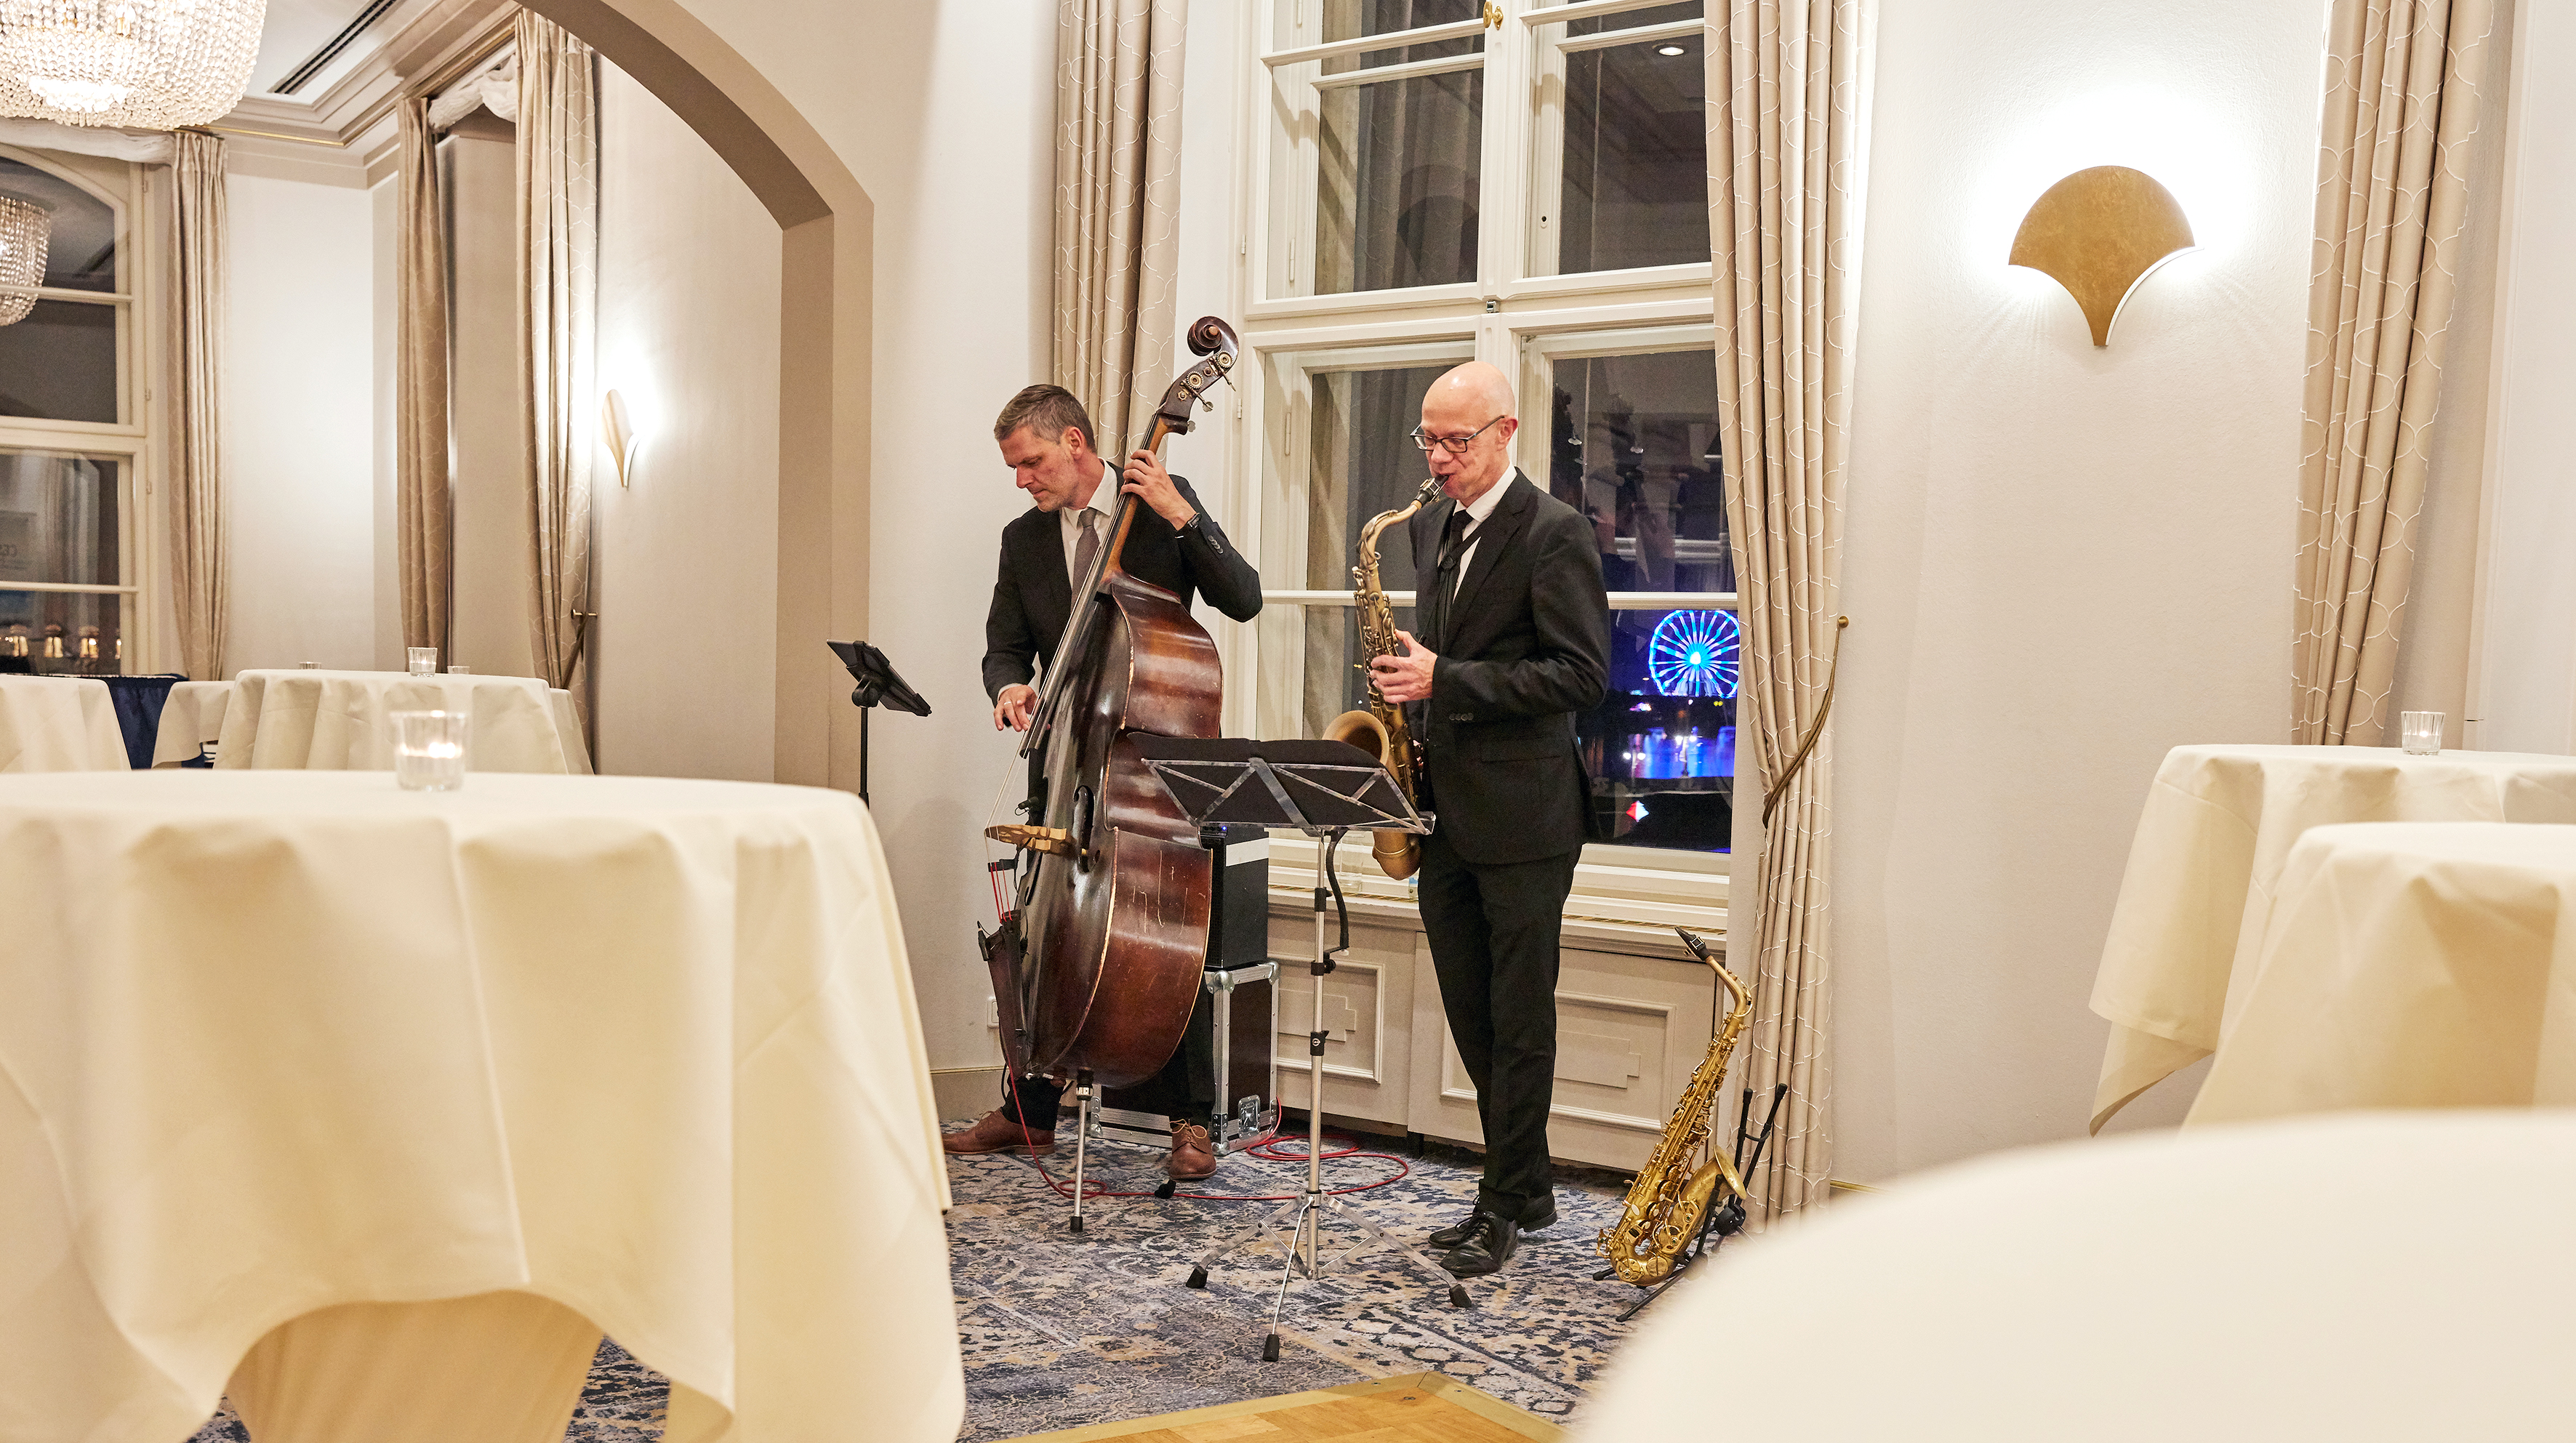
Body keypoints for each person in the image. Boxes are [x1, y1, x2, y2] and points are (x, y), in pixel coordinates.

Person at [948, 382, 1264, 1180]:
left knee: (1170, 940)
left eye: (1031, 462)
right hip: (1068, 765)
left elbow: (1244, 598)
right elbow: (1004, 644)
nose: (1022, 479)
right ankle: (1030, 1109)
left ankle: (1190, 1118)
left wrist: (1182, 516)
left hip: (1155, 775)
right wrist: (1008, 686)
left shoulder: (1159, 502)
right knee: (1045, 931)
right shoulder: (1024, 539)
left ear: (1076, 442)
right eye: (1014, 467)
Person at [1368, 361, 1609, 1277]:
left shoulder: (1556, 532)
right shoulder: (1429, 525)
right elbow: (1451, 653)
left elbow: (1581, 676)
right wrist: (1409, 684)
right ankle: (1526, 1182)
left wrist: (1446, 678)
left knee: (1518, 1020)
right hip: (1444, 813)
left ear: (1506, 432)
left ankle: (1503, 1200)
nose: (1437, 458)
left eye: (1455, 441)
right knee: (1473, 1016)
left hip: (1526, 820)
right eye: (1427, 439)